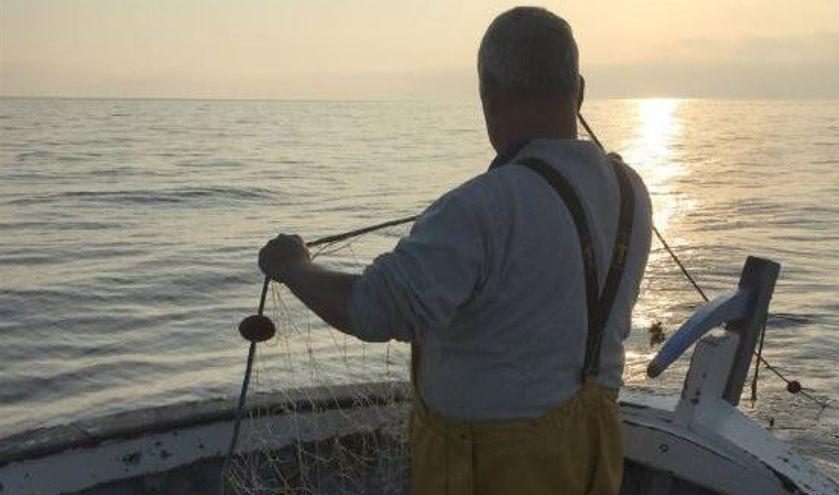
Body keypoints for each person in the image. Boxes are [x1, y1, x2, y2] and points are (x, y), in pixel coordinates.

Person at [258, 6, 652, 495]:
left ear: (488, 95)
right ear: (580, 91)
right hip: (591, 462)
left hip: (490, 471)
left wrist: (296, 267)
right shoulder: (632, 190)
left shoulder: (478, 209)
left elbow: (373, 310)